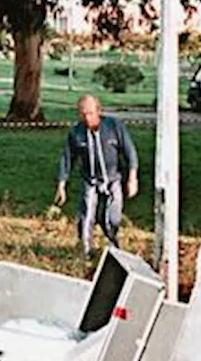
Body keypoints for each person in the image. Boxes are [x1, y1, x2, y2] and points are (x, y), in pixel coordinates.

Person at [54, 94, 138, 257]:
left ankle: (113, 246)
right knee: (87, 215)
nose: (87, 118)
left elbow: (130, 152)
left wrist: (132, 178)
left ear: (99, 111)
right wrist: (61, 185)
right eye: (83, 114)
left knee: (113, 217)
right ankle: (85, 250)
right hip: (90, 180)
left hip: (113, 179)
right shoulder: (76, 133)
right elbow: (67, 158)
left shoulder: (114, 126)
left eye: (91, 113)